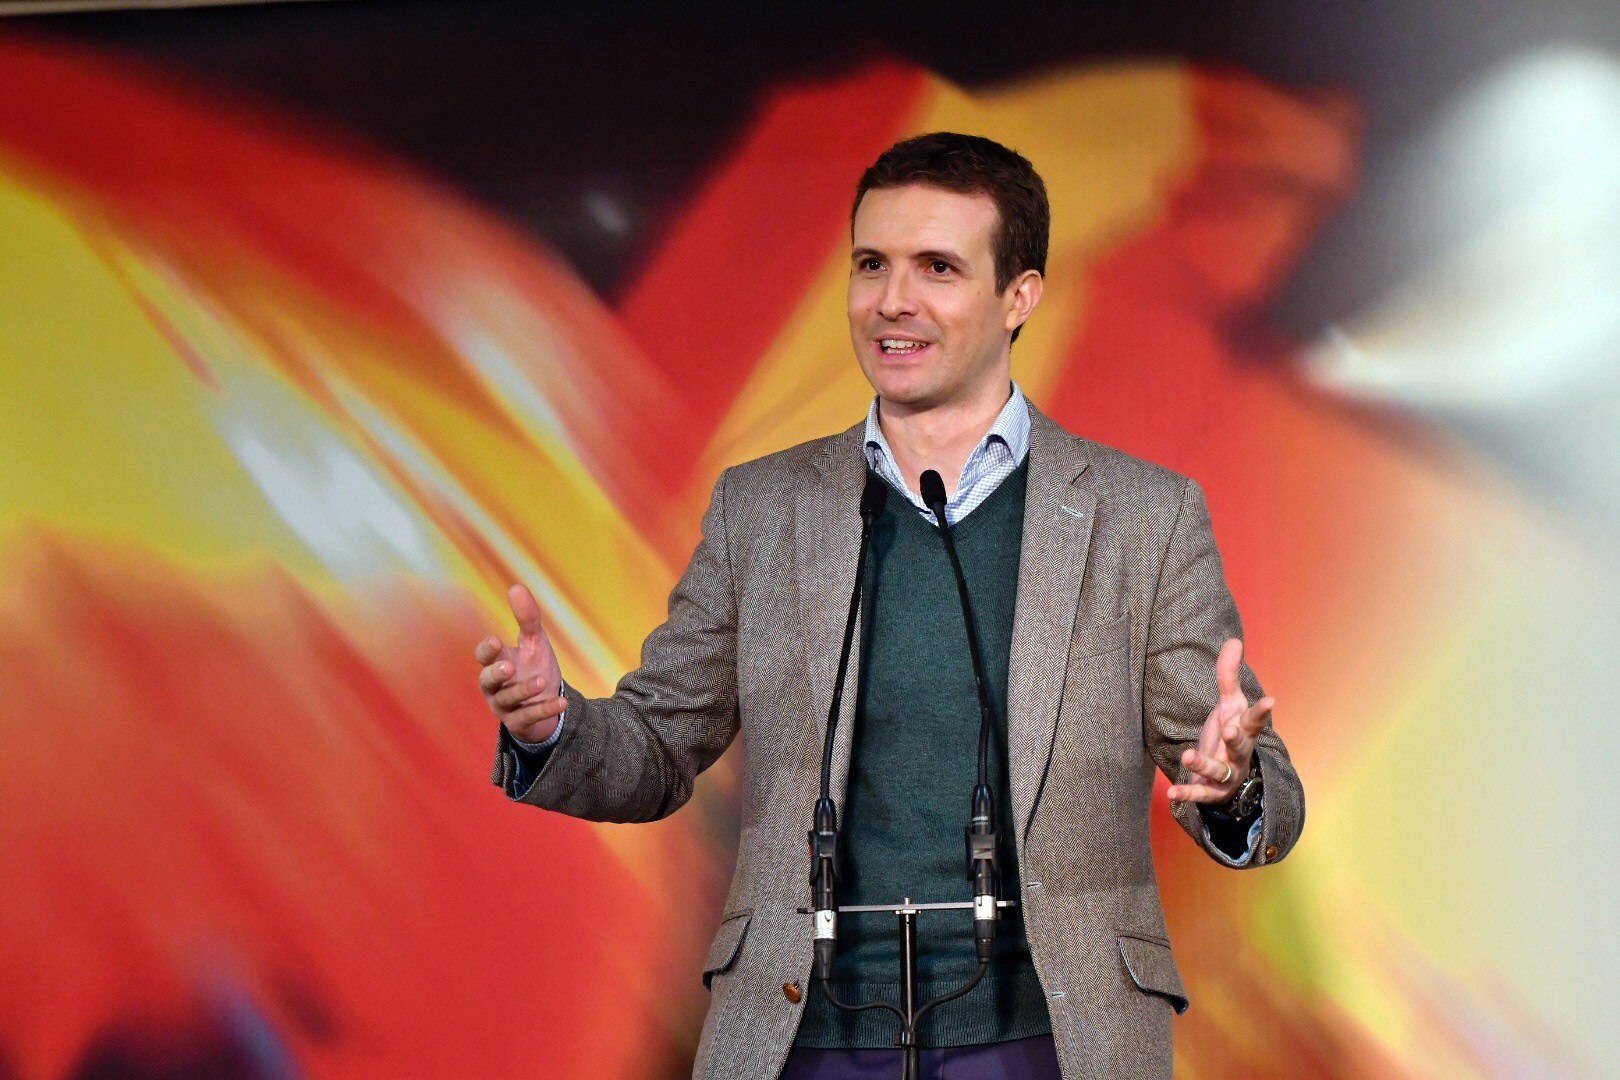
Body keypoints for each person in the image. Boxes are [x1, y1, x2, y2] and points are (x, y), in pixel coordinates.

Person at [477, 132, 1304, 1080]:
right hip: (805, 1036)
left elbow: (1261, 791)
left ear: (1020, 296)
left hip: (1046, 1038)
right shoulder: (762, 508)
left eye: (937, 268)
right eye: (872, 264)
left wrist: (1231, 786)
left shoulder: (1144, 517)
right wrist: (553, 728)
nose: (892, 300)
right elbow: (659, 748)